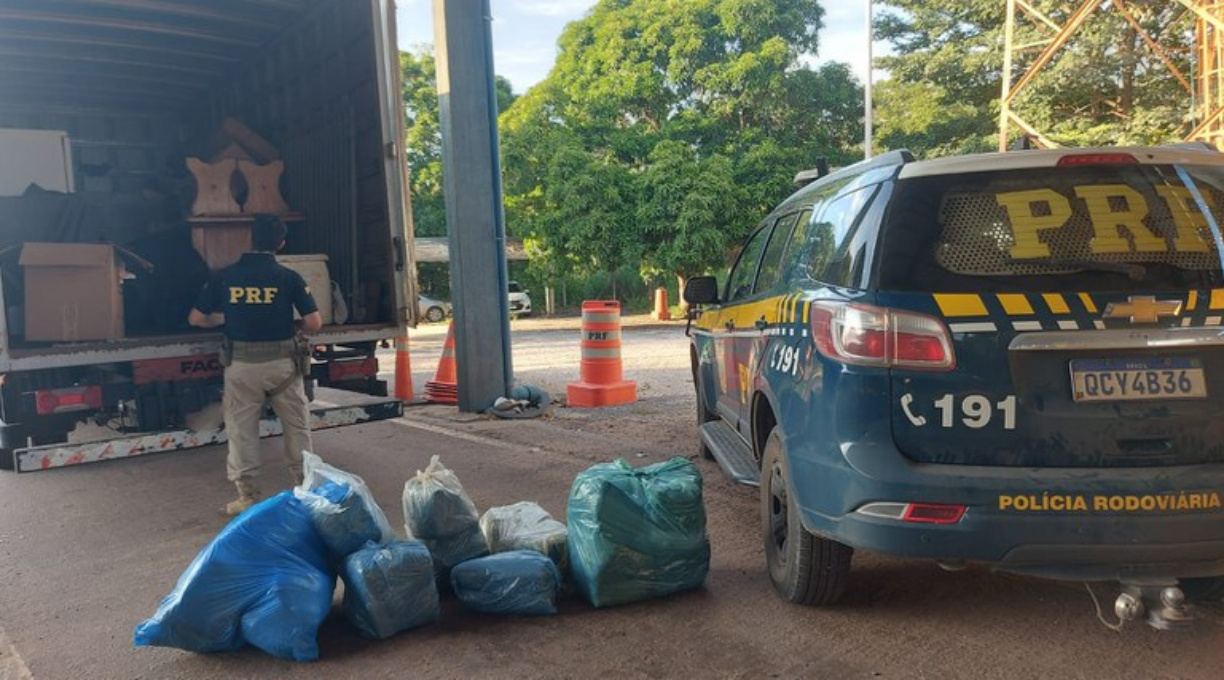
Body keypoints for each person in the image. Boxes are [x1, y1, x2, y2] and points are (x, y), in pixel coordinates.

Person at [189, 215, 323, 515]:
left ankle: (247, 495)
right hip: (283, 368)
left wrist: (225, 317)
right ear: (281, 244)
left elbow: (196, 318)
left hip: (241, 366)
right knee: (296, 426)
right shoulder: (289, 277)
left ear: (250, 240)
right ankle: (304, 487)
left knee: (241, 430)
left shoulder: (225, 276)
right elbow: (314, 323)